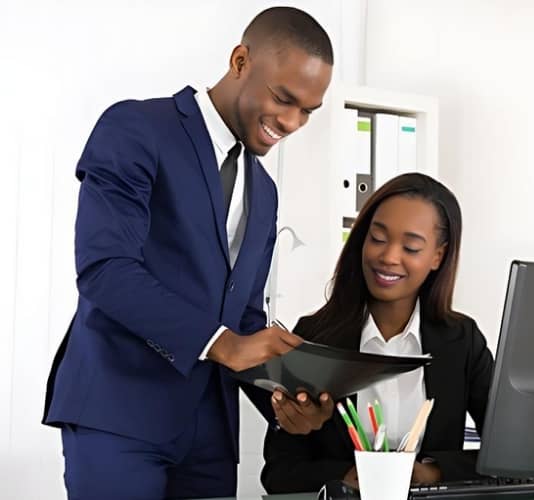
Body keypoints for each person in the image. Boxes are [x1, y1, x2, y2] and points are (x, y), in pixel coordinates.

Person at [42, 7, 335, 499]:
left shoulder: (265, 192)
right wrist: (222, 343)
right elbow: (105, 269)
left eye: (308, 110)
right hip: (119, 412)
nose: (291, 122)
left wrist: (285, 399)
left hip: (209, 436)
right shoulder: (136, 128)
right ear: (240, 61)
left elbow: (243, 318)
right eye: (284, 98)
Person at [261, 173, 495, 494]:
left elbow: (509, 457)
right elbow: (278, 472)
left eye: (411, 247)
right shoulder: (314, 337)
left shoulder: (462, 341)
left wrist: (433, 472)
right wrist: (346, 476)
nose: (388, 257)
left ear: (437, 257)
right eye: (378, 238)